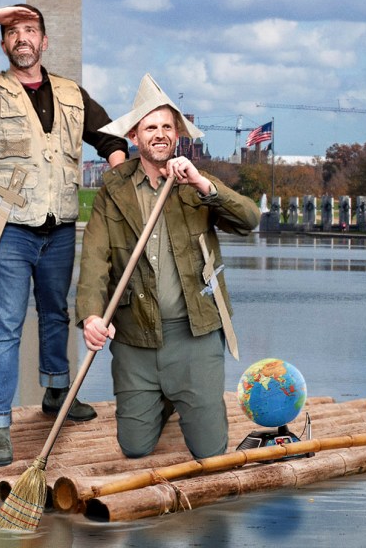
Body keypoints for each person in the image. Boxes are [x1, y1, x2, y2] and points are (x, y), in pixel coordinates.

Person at [0, 4, 128, 466]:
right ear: (3, 43)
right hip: (9, 231)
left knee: (57, 314)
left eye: (31, 30)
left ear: (44, 41)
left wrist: (119, 181)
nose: (22, 37)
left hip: (59, 228)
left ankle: (58, 392)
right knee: (5, 328)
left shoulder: (72, 94)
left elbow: (112, 138)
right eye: (13, 32)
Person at [76, 74, 260, 460]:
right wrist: (92, 317)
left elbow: (248, 220)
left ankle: (180, 394)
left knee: (211, 451)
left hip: (195, 335)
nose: (159, 134)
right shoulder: (114, 188)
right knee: (135, 447)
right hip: (135, 339)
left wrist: (202, 186)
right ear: (134, 137)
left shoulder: (195, 181)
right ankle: (162, 398)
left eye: (166, 126)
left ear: (176, 134)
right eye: (150, 127)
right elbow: (95, 259)